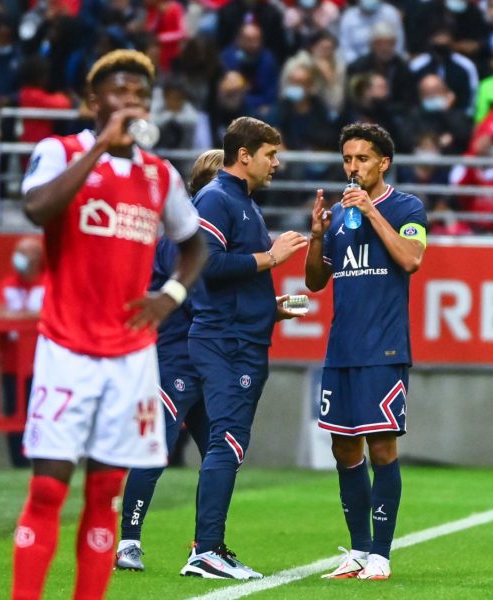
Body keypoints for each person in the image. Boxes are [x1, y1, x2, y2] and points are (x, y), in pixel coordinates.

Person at [10, 49, 208, 600]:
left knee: (105, 498)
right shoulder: (60, 151)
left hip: (130, 357)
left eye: (141, 95)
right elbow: (37, 210)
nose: (133, 102)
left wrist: (169, 296)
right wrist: (101, 145)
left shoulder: (159, 175)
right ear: (93, 102)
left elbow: (194, 244)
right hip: (67, 349)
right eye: (121, 92)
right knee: (48, 490)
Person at [180, 116, 308, 580]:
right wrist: (270, 258)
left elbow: (232, 280)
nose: (277, 163)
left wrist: (269, 307)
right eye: (271, 155)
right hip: (226, 341)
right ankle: (206, 550)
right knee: (227, 441)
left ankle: (208, 546)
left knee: (228, 442)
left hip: (241, 334)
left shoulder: (242, 201)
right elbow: (205, 263)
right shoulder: (216, 197)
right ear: (245, 155)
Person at [305, 122, 428, 581]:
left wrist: (372, 213)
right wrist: (318, 234)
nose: (353, 168)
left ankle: (381, 554)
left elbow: (411, 259)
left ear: (383, 162)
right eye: (348, 159)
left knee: (382, 448)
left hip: (385, 349)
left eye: (362, 159)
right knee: (343, 450)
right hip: (341, 351)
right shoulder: (338, 215)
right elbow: (315, 282)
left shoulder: (407, 207)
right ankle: (357, 551)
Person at [115, 149, 224, 572]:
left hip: (203, 359)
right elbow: (202, 302)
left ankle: (207, 545)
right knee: (155, 450)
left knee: (221, 450)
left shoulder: (203, 240)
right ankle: (128, 541)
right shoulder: (180, 243)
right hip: (175, 357)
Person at [0, 236, 46, 468]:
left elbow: (49, 314)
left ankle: (41, 460)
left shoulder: (48, 283)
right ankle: (18, 463)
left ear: (37, 257)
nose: (18, 257)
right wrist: (31, 317)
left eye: (24, 253)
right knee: (14, 413)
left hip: (43, 363)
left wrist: (15, 317)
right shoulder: (7, 284)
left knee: (41, 415)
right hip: (12, 363)